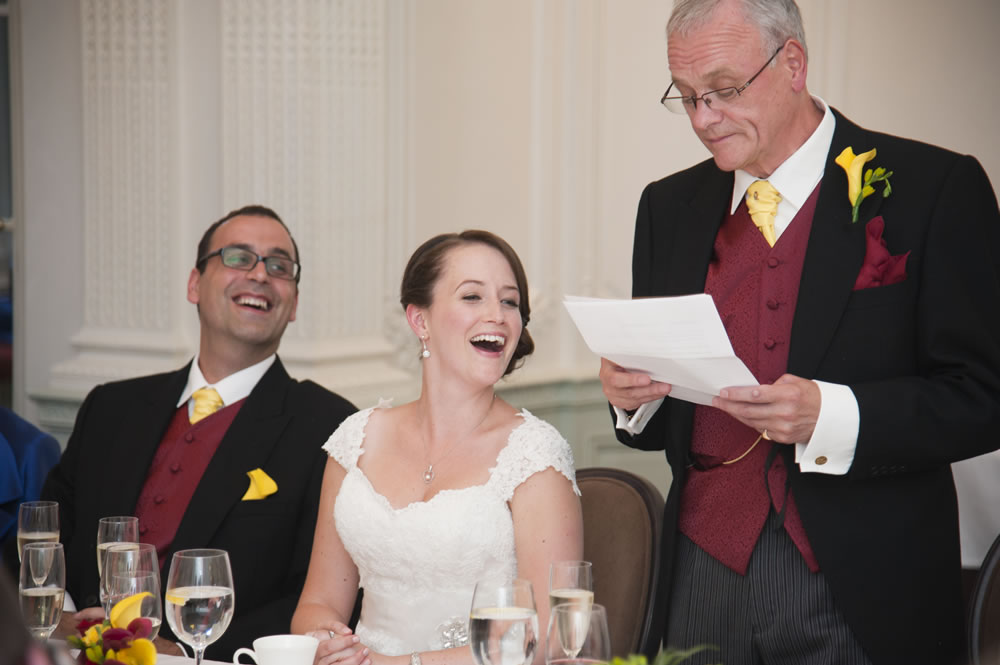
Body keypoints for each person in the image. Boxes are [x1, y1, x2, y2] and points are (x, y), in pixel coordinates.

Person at [598, 1, 1000, 663]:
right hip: (700, 573)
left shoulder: (932, 189)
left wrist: (833, 413)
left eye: (724, 91)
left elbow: (983, 396)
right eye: (688, 96)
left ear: (792, 64)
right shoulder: (666, 207)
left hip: (866, 581)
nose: (703, 119)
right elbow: (656, 414)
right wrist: (631, 395)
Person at [41, 205, 357, 660]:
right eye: (238, 257)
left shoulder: (329, 426)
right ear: (195, 284)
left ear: (294, 304)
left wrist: (191, 650)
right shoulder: (109, 407)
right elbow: (47, 539)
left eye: (279, 266)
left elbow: (315, 595)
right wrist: (65, 622)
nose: (260, 275)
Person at [292, 230, 583, 665]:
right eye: (472, 297)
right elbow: (317, 603)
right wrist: (326, 642)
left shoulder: (534, 455)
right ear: (420, 320)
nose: (497, 316)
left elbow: (551, 635)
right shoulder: (356, 441)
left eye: (510, 302)